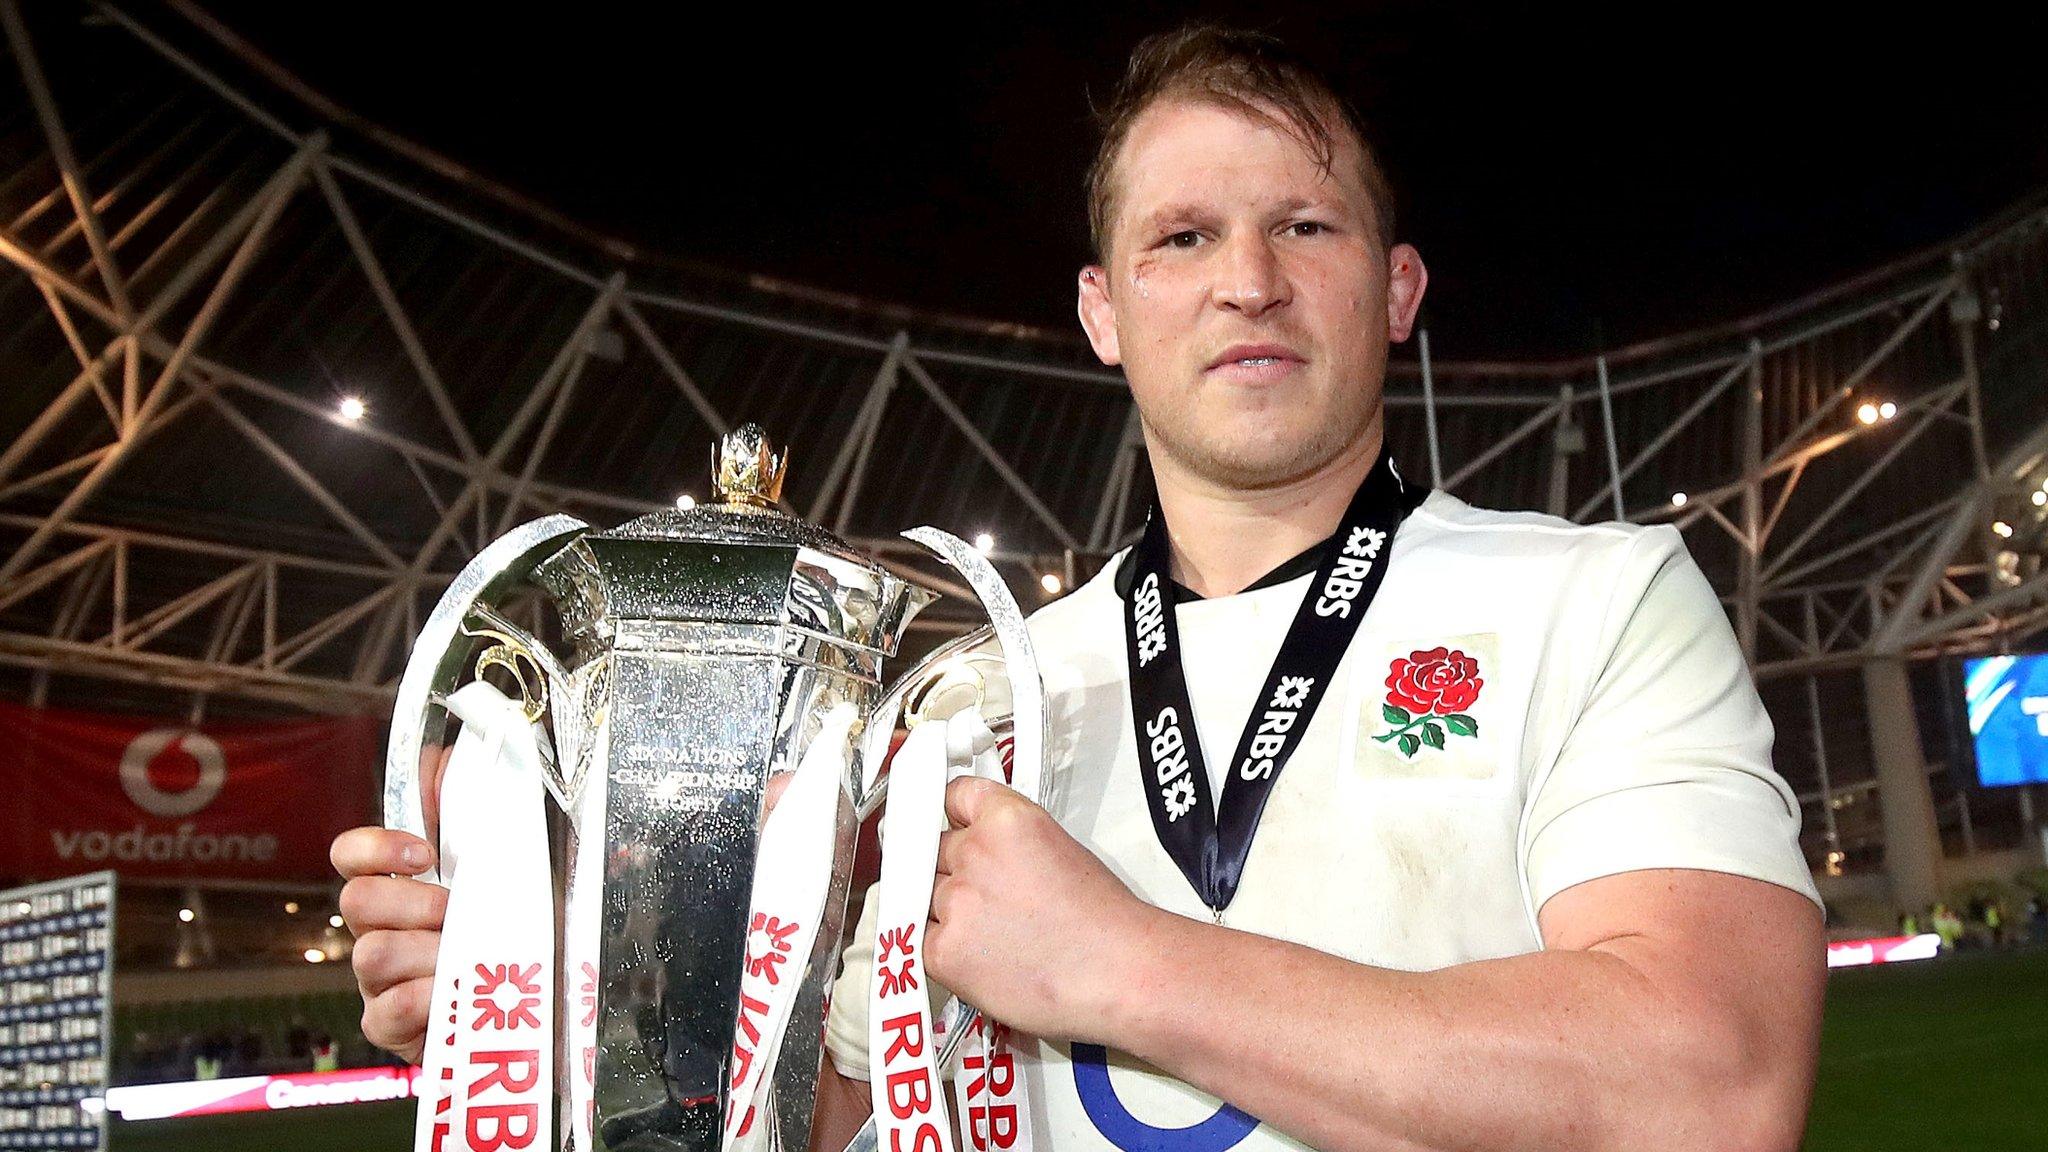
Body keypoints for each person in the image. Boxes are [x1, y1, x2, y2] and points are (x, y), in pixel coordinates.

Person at [333, 24, 1826, 1152]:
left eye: (1305, 226)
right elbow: (837, 1109)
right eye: (1182, 237)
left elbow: (1712, 1084)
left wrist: (1124, 967)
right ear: (1105, 314)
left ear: (1399, 288)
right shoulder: (979, 689)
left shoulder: (1596, 600)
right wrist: (556, 1008)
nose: (1249, 278)